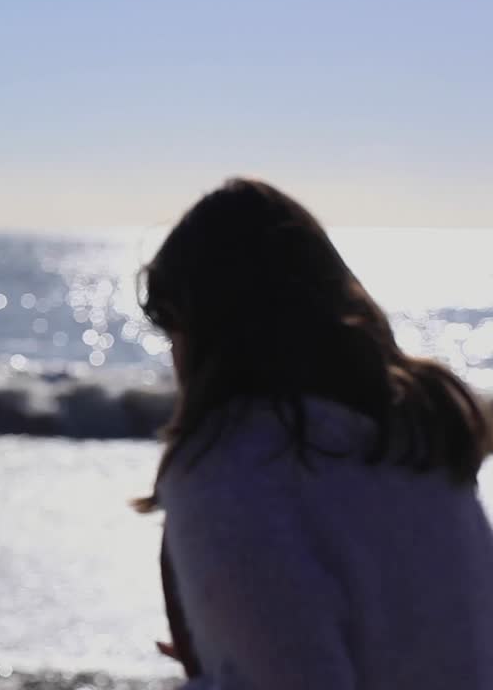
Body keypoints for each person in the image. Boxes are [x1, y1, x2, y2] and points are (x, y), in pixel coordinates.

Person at [137, 178, 493, 689]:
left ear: (203, 329)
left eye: (172, 329)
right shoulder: (418, 437)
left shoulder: (230, 471)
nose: (174, 356)